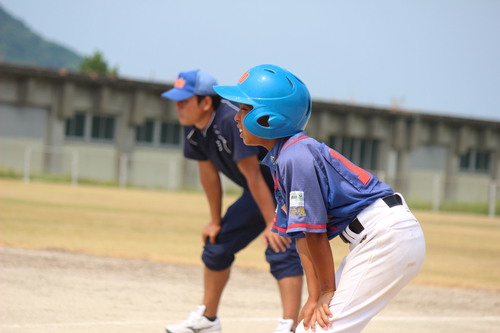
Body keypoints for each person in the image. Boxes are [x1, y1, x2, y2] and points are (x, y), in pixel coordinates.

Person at [213, 64, 426, 333]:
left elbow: (315, 234)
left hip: (384, 237)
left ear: (269, 118)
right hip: (381, 236)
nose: (236, 118)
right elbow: (302, 237)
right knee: (316, 327)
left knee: (317, 330)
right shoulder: (285, 156)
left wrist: (327, 291)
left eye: (245, 109)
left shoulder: (295, 157)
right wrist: (314, 296)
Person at [161, 69, 304, 333]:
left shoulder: (230, 119)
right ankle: (208, 320)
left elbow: (253, 175)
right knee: (217, 245)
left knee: (280, 246)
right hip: (259, 191)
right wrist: (215, 221)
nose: (178, 107)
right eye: (176, 101)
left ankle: (290, 326)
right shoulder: (193, 128)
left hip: (286, 186)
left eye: (184, 101)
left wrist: (272, 222)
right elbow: (208, 176)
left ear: (205, 102)